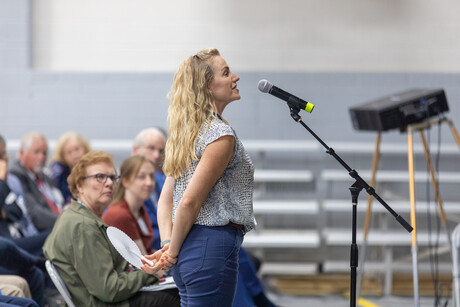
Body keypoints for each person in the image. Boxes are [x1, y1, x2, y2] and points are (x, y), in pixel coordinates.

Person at [141, 48, 256, 306]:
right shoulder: (219, 134)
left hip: (192, 250)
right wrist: (171, 250)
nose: (235, 77)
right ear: (207, 86)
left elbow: (165, 201)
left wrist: (170, 244)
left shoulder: (188, 133)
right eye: (226, 73)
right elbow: (188, 203)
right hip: (210, 248)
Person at [42, 150, 179, 307]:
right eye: (99, 177)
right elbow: (109, 289)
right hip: (107, 303)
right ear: (79, 185)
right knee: (178, 295)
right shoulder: (82, 226)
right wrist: (153, 273)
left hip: (104, 300)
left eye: (113, 177)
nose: (109, 183)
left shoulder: (80, 217)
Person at [8, 132, 64, 232]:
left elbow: (58, 201)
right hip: (42, 231)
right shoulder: (17, 176)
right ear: (22, 153)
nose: (41, 157)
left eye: (44, 153)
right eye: (36, 152)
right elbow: (35, 214)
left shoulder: (45, 176)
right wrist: (65, 221)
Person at [103, 155, 155, 255]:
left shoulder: (140, 210)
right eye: (141, 177)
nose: (149, 182)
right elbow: (143, 262)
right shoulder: (120, 215)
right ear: (125, 182)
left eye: (151, 176)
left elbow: (147, 251)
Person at [132, 127, 167, 251]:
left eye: (161, 151)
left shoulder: (163, 181)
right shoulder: (125, 185)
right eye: (151, 148)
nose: (156, 155)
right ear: (135, 150)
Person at [46, 131, 90, 205]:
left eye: (77, 149)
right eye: (69, 152)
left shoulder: (95, 168)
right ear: (63, 157)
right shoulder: (58, 174)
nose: (74, 155)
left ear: (85, 148)